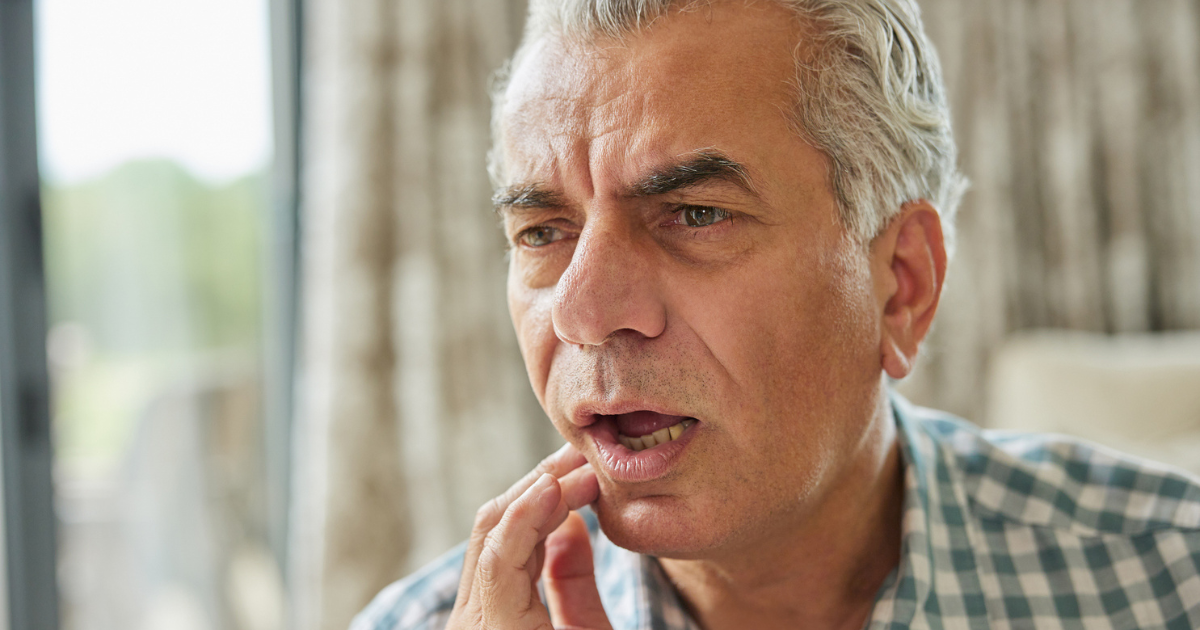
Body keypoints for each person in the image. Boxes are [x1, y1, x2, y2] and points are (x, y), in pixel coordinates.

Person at [352, 0, 1200, 628]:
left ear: (901, 284)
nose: (583, 311)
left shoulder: (1172, 575)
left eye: (695, 215)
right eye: (543, 231)